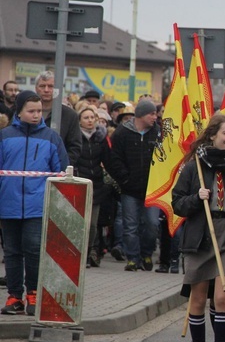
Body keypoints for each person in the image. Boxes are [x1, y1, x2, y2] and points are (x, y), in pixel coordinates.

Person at [172, 114, 225, 342]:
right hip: (201, 235)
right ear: (212, 134)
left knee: (223, 297)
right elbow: (177, 203)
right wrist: (196, 198)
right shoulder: (194, 167)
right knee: (199, 299)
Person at [0, 91, 69, 315]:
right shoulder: (4, 136)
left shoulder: (51, 138)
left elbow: (62, 172)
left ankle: (33, 293)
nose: (36, 115)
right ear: (19, 111)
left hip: (37, 206)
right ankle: (13, 297)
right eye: (31, 111)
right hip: (8, 204)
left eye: (39, 111)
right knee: (11, 251)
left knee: (32, 249)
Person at [108, 99, 161, 271]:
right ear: (141, 115)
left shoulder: (158, 133)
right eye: (151, 114)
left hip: (152, 189)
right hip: (129, 189)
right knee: (130, 225)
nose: (155, 117)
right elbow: (114, 159)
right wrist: (124, 179)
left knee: (152, 224)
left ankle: (146, 253)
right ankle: (132, 258)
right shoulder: (122, 133)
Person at [76, 105, 112, 268]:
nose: (90, 120)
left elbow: (109, 160)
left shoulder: (101, 138)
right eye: (86, 118)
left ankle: (89, 251)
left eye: (92, 118)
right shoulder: (75, 137)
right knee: (79, 222)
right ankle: (77, 252)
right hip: (78, 184)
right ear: (80, 121)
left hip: (95, 186)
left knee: (92, 224)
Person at [35, 71, 82, 166]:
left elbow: (75, 147)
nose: (46, 90)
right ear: (36, 88)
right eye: (42, 86)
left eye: (51, 86)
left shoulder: (70, 115)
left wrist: (62, 166)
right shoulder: (25, 113)